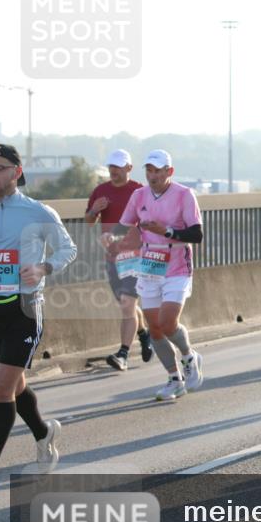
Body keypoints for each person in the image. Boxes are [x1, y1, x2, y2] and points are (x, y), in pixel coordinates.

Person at [0, 144, 77, 489]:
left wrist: (44, 266)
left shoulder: (38, 212)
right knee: (12, 384)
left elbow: (68, 249)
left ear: (16, 171)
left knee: (1, 390)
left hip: (24, 309)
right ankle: (44, 432)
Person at [103, 150, 205, 400]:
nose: (152, 175)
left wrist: (166, 231)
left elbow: (197, 235)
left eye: (158, 170)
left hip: (177, 264)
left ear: (169, 172)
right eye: (149, 170)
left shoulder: (184, 195)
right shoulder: (139, 196)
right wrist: (112, 237)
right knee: (155, 329)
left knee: (168, 322)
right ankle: (174, 378)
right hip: (150, 264)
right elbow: (124, 225)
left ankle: (189, 356)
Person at [85, 149, 152, 371]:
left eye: (118, 166)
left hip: (135, 256)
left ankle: (123, 354)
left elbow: (151, 221)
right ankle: (144, 334)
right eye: (111, 166)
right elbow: (88, 222)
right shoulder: (100, 191)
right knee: (127, 306)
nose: (113, 170)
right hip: (113, 258)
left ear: (129, 168)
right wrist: (95, 210)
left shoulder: (140, 191)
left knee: (127, 304)